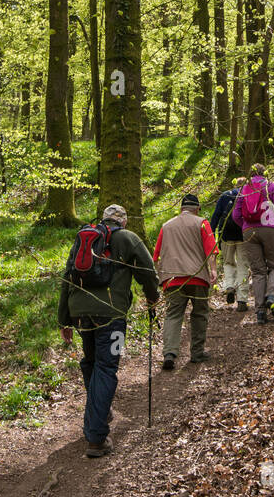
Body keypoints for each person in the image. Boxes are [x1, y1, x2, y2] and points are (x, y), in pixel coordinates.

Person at [58, 203, 160, 457]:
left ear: (104, 221)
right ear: (123, 222)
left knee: (92, 361)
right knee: (107, 366)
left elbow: (67, 277)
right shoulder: (127, 238)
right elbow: (148, 272)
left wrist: (64, 320)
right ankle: (96, 436)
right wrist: (152, 298)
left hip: (80, 315)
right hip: (111, 316)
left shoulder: (84, 238)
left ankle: (99, 409)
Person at [153, 193, 218, 370]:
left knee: (173, 315)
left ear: (181, 209)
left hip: (172, 278)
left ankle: (169, 354)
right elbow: (211, 249)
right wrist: (213, 270)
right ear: (197, 209)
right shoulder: (202, 223)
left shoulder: (166, 226)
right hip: (197, 277)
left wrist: (161, 275)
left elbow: (156, 256)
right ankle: (197, 353)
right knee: (199, 314)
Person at [232, 164, 274, 323]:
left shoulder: (244, 189)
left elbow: (236, 214)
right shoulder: (270, 186)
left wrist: (244, 226)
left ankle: (260, 312)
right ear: (264, 173)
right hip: (270, 228)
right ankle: (272, 295)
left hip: (249, 232)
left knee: (258, 271)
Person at [210, 177, 249, 311]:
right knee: (243, 264)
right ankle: (242, 300)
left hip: (226, 235)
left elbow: (216, 216)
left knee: (228, 263)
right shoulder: (248, 195)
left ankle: (229, 287)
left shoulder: (225, 195)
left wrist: (211, 235)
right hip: (243, 235)